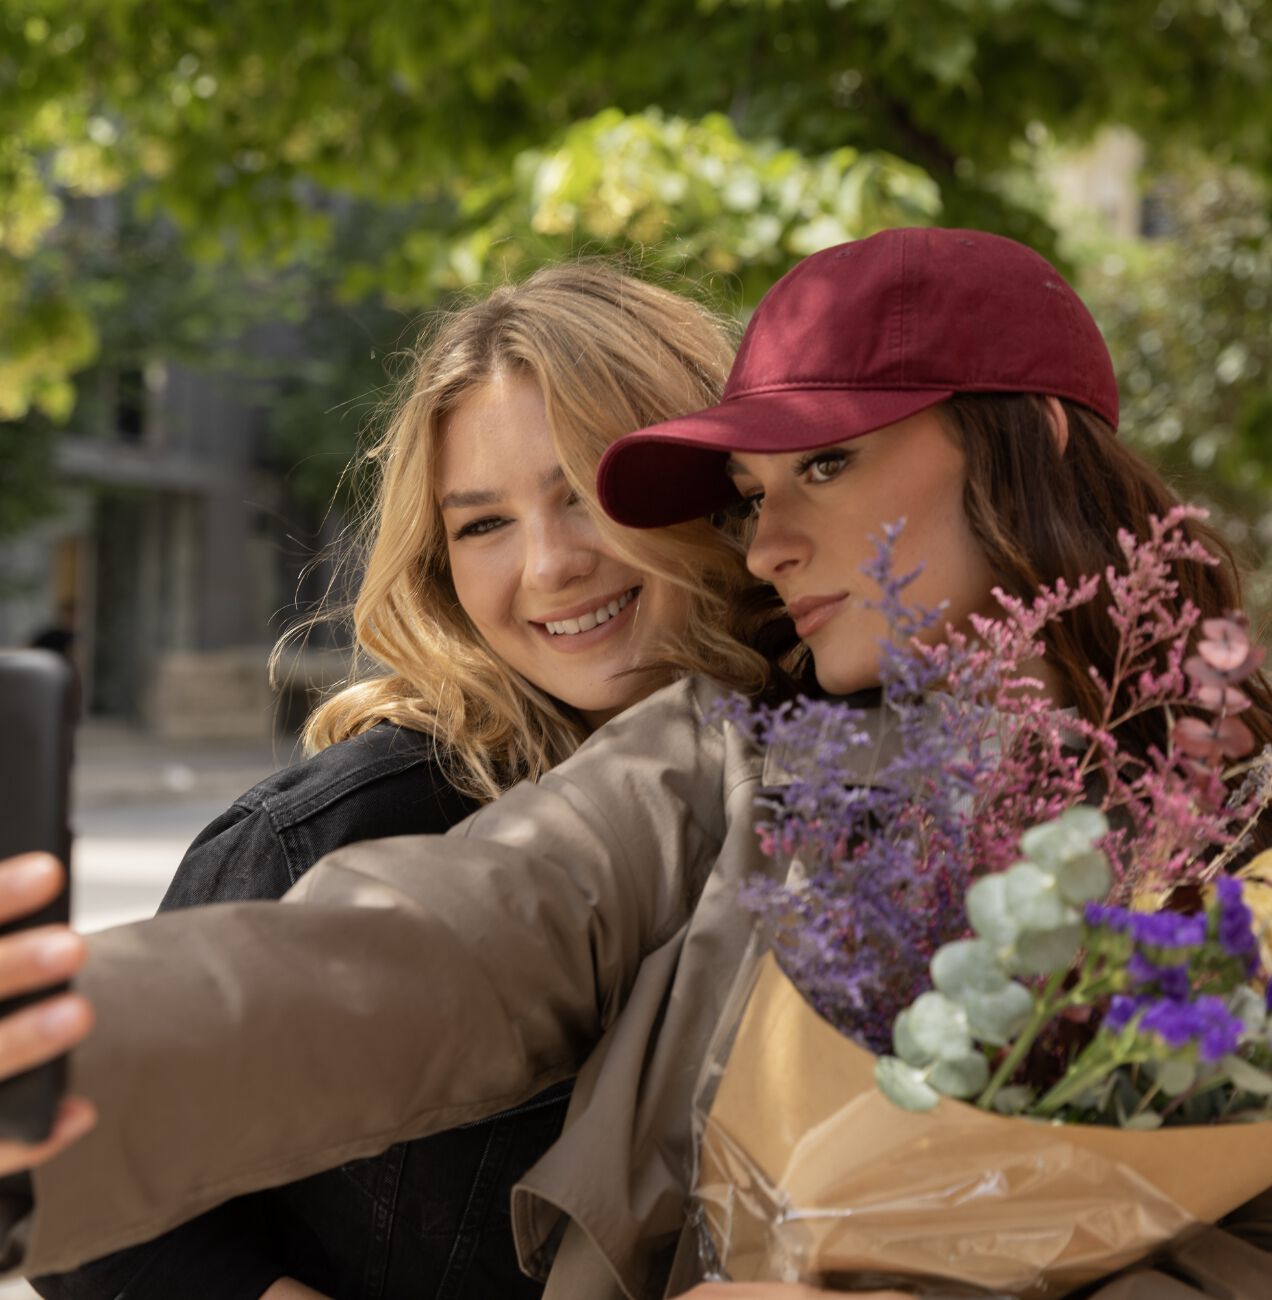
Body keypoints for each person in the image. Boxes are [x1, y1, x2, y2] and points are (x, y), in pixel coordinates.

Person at [1, 228, 1269, 1300]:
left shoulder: (1240, 836)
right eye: (751, 491)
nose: (769, 544)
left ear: (1031, 437)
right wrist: (62, 1046)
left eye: (827, 463)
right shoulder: (741, 750)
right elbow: (445, 943)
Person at [26, 261, 767, 1300]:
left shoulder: (850, 774)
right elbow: (88, 1224)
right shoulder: (341, 826)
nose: (549, 565)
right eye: (484, 524)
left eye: (589, 492)